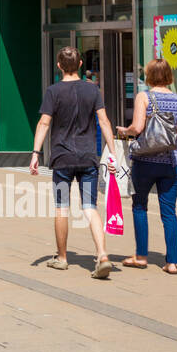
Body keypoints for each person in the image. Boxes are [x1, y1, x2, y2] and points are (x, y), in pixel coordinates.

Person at [31, 46, 119, 279]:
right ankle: (102, 255)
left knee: (62, 207)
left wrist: (35, 153)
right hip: (88, 157)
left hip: (62, 159)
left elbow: (44, 123)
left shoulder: (53, 91)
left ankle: (62, 258)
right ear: (81, 65)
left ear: (58, 66)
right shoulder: (93, 90)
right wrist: (113, 153)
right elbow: (104, 122)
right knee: (90, 207)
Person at [116, 59, 177, 273]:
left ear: (149, 75)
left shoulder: (144, 97)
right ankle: (172, 262)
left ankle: (141, 256)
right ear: (168, 75)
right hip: (170, 162)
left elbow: (137, 127)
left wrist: (124, 131)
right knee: (169, 212)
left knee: (139, 206)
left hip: (145, 161)